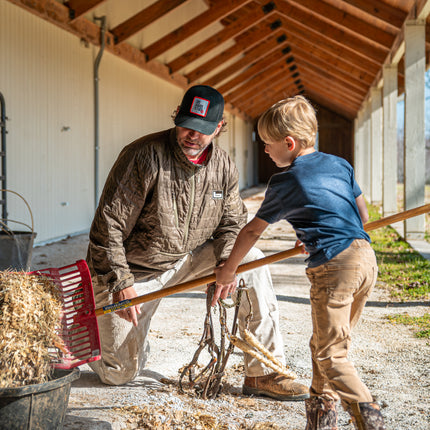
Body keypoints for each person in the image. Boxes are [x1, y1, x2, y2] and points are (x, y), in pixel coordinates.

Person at [86, 85, 309, 401]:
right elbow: (107, 227)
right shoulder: (143, 156)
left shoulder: (222, 168)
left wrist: (227, 262)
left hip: (186, 259)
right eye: (187, 124)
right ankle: (102, 330)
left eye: (203, 130)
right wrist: (120, 282)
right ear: (177, 114)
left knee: (251, 259)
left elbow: (231, 224)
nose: (192, 135)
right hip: (134, 272)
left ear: (219, 127)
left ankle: (264, 374)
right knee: (119, 374)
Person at [215, 96, 386, 429]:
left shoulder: (285, 181)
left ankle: (370, 415)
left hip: (334, 269)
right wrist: (314, 231)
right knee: (327, 342)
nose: (264, 151)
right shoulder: (340, 164)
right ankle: (322, 418)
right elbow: (360, 216)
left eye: (267, 144)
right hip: (364, 258)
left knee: (330, 356)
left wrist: (229, 269)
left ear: (289, 144)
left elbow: (251, 232)